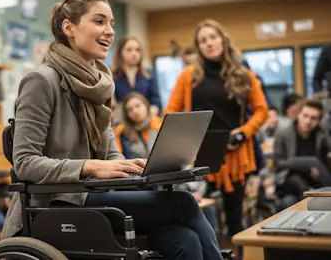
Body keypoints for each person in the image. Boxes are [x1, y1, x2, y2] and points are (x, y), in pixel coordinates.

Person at [1, 0, 223, 260]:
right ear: (68, 28)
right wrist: (89, 166)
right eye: (99, 21)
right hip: (57, 205)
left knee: (184, 238)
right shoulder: (41, 81)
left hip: (94, 198)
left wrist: (135, 170)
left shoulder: (100, 84)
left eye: (112, 24)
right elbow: (24, 162)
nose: (109, 31)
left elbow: (110, 155)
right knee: (184, 203)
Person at [165, 19, 268, 238]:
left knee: (235, 221)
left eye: (213, 37)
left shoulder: (244, 74)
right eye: (203, 40)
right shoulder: (188, 76)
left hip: (235, 155)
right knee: (201, 219)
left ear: (222, 39)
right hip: (201, 155)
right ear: (199, 47)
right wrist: (187, 136)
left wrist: (244, 132)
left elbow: (261, 110)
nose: (209, 43)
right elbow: (170, 112)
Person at [274, 99, 329, 203]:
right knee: (289, 201)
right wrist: (306, 167)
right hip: (289, 179)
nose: (308, 121)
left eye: (313, 118)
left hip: (315, 183)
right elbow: (278, 163)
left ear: (319, 121)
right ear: (298, 115)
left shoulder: (321, 136)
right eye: (305, 116)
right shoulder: (283, 134)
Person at [112, 36, 161, 116]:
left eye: (137, 50)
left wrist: (147, 114)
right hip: (123, 121)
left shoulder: (150, 74)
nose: (134, 53)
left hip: (148, 120)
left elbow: (156, 102)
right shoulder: (113, 77)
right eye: (129, 50)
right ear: (120, 53)